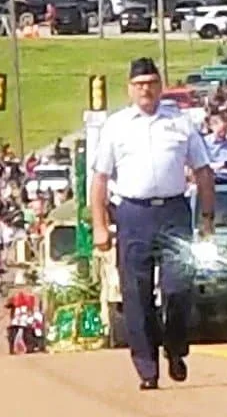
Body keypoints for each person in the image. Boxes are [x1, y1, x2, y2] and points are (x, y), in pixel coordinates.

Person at [88, 58, 217, 391]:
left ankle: (175, 348)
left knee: (178, 287)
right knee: (136, 294)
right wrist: (100, 226)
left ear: (161, 86)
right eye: (140, 84)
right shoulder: (116, 126)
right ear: (130, 89)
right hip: (133, 214)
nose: (146, 89)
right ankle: (147, 368)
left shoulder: (180, 122)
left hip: (173, 213)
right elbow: (100, 179)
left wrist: (207, 217)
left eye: (151, 82)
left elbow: (203, 171)